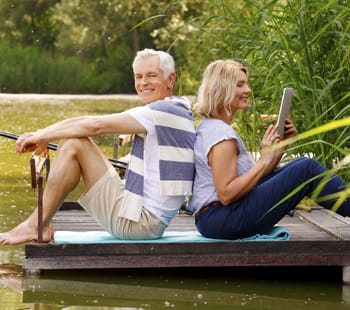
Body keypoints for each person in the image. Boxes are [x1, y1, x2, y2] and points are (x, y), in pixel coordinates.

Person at [0, 48, 195, 245]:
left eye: (151, 76)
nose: (143, 83)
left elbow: (96, 126)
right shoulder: (175, 109)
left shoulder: (163, 111)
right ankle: (40, 223)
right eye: (139, 77)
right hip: (145, 220)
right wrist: (43, 134)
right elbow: (87, 121)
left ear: (171, 80)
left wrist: (41, 135)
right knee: (72, 139)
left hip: (140, 223)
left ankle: (36, 225)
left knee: (73, 143)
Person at [189, 59, 350, 239]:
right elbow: (226, 194)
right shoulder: (220, 135)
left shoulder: (213, 127)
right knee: (306, 168)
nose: (248, 90)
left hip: (220, 218)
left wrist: (278, 149)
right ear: (222, 89)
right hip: (223, 219)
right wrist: (264, 161)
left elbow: (252, 183)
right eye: (240, 85)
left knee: (301, 166)